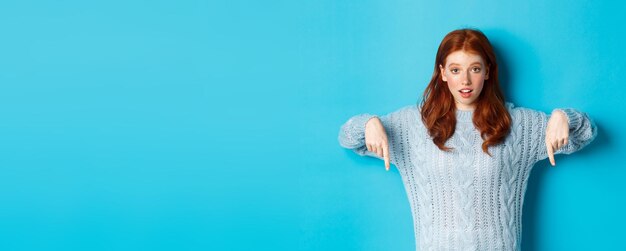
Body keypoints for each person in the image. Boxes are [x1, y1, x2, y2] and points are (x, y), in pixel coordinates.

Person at [337, 28, 597, 251]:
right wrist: (369, 122)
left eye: (474, 68)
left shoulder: (517, 124)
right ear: (442, 73)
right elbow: (348, 137)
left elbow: (586, 133)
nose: (465, 80)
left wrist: (565, 117)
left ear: (487, 72)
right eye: (455, 69)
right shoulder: (413, 124)